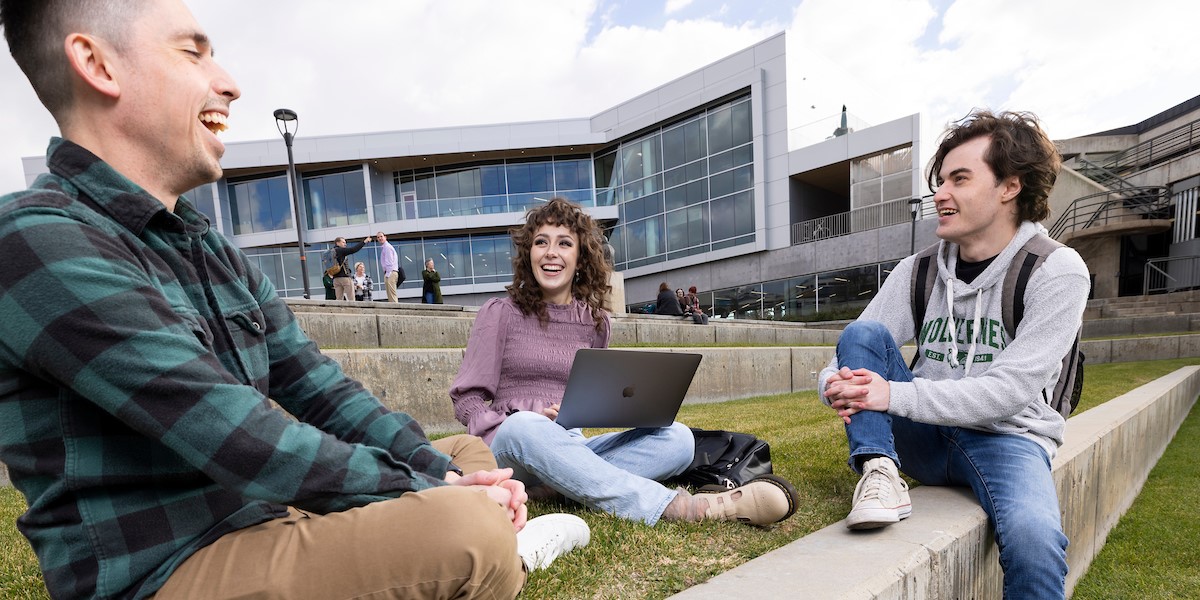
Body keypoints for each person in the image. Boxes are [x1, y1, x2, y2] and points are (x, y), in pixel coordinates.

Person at [0, 2, 586, 598]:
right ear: (97, 64)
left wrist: (438, 473)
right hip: (169, 569)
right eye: (191, 52)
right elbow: (233, 433)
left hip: (273, 518)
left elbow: (321, 392)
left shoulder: (210, 250)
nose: (228, 83)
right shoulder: (36, 239)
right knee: (465, 525)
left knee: (463, 455)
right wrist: (429, 491)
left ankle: (495, 543)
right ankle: (502, 550)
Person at [818, 110, 1089, 599]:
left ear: (1010, 186)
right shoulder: (917, 269)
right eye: (940, 180)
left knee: (1036, 540)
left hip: (1008, 438)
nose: (939, 193)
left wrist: (890, 394)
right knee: (866, 332)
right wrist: (836, 386)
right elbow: (850, 354)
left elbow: (1008, 394)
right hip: (920, 437)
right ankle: (878, 470)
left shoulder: (1056, 270)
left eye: (958, 179)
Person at [451, 197, 799, 527]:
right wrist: (521, 416)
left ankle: (563, 485)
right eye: (541, 242)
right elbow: (467, 401)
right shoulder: (500, 313)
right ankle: (679, 506)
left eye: (564, 243)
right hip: (510, 446)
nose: (551, 253)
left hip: (570, 443)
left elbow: (594, 397)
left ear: (580, 257)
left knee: (678, 439)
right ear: (529, 253)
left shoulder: (596, 322)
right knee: (525, 427)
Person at [331, 235, 370, 301]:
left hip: (335, 278)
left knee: (339, 299)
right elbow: (353, 249)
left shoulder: (331, 251)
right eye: (343, 242)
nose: (345, 244)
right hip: (345, 277)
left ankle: (339, 311)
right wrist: (364, 242)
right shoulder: (340, 250)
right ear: (337, 243)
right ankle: (353, 310)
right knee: (351, 298)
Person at [376, 231, 403, 302]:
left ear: (385, 237)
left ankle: (395, 309)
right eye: (378, 237)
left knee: (392, 294)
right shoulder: (384, 248)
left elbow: (389, 262)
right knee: (390, 294)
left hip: (390, 272)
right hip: (389, 272)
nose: (380, 238)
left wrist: (387, 274)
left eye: (381, 236)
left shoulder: (387, 247)